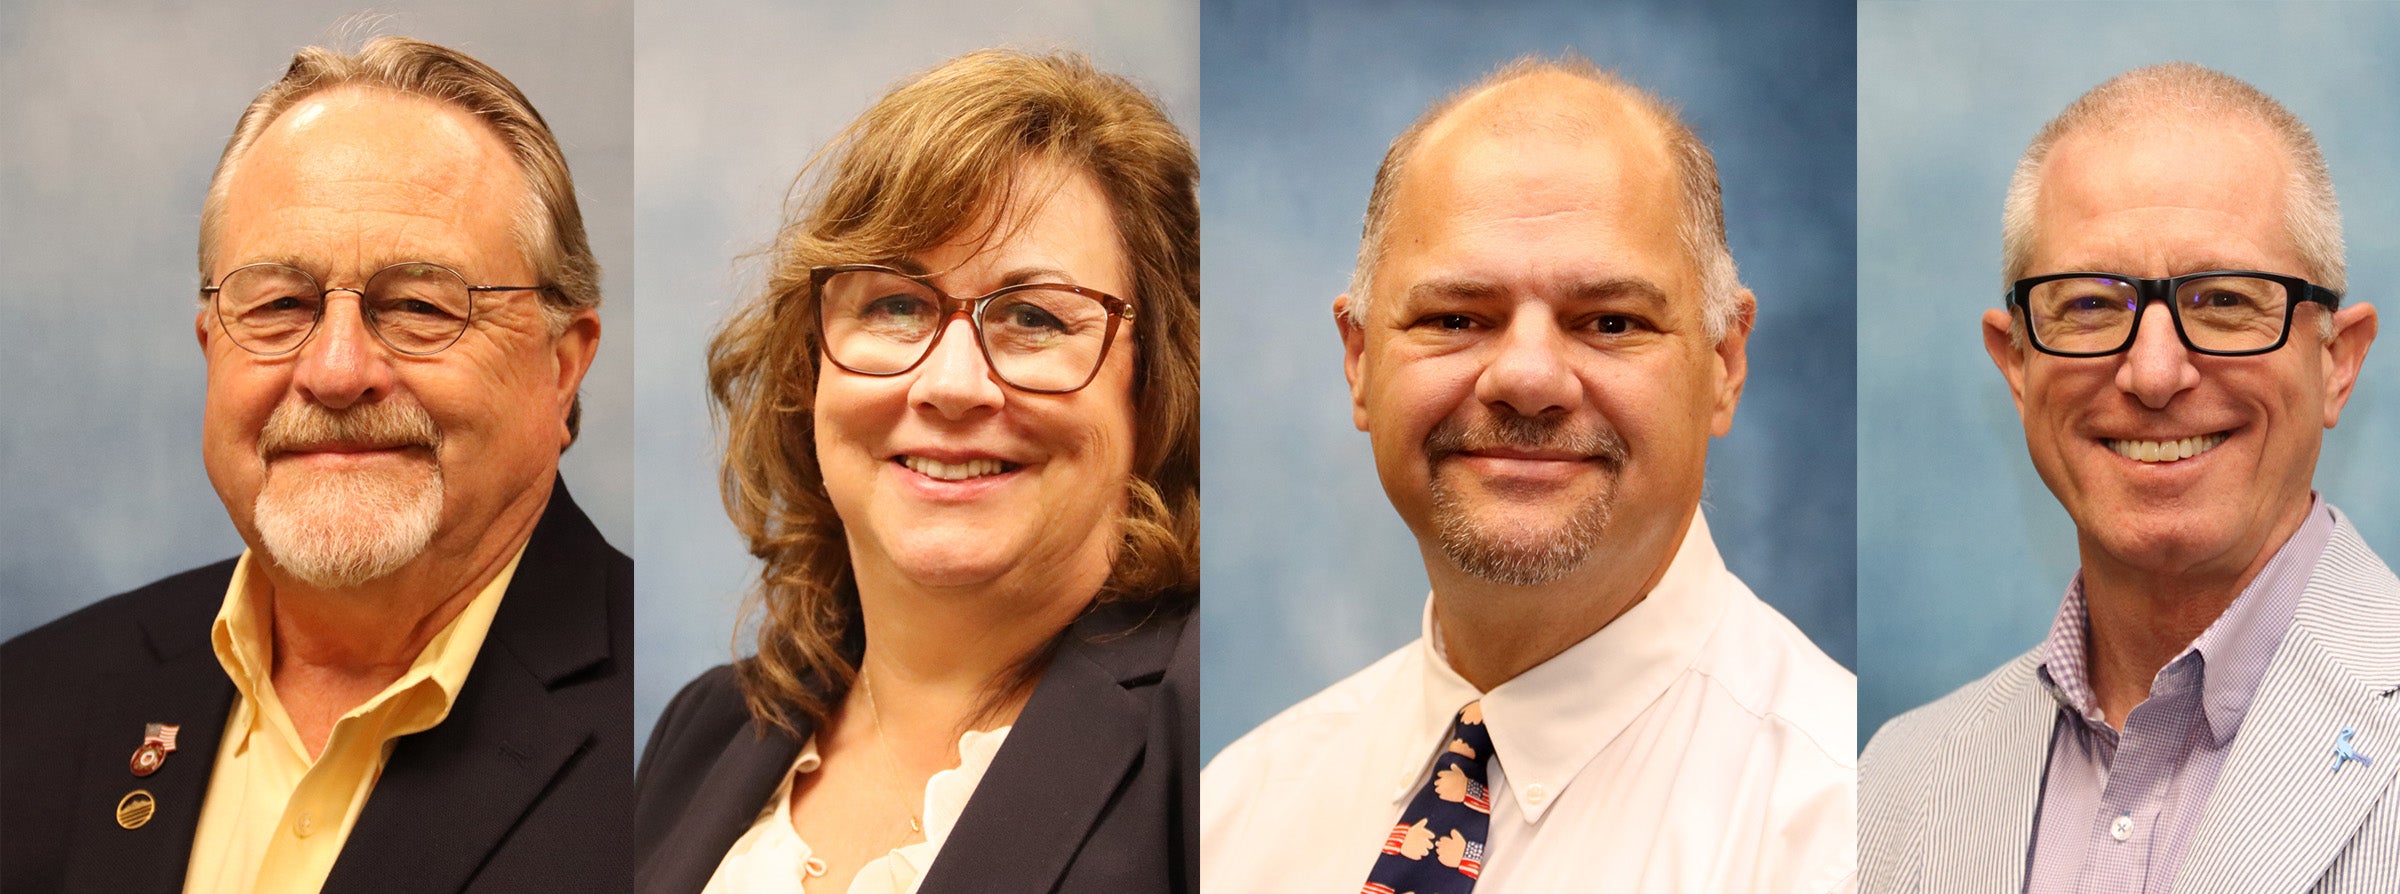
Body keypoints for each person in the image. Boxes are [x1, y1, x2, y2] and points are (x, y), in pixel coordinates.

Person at [1199, 56, 1855, 892]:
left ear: (1724, 364)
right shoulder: (1236, 815)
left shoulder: (1842, 832)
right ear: (1359, 362)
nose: (1528, 378)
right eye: (1456, 317)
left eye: (1610, 321)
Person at [0, 36, 629, 892]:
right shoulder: (29, 704)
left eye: (417, 304)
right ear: (210, 346)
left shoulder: (684, 745)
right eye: (280, 305)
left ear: (562, 365)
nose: (335, 371)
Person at [632, 49, 1200, 894]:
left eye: (1035, 317)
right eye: (896, 305)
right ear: (808, 371)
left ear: (1152, 392)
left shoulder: (1204, 739)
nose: (950, 385)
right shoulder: (709, 730)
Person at [1859, 63, 2390, 893]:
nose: (2153, 373)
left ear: (2337, 363)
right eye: (2090, 306)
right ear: (2017, 366)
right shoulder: (1896, 780)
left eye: (2222, 300)